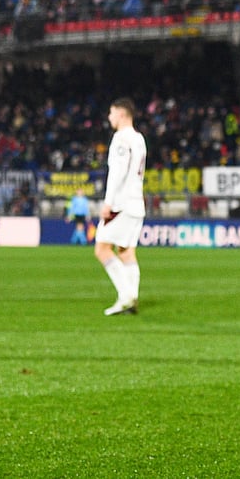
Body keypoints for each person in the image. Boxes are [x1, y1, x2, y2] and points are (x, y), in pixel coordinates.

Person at [94, 97, 146, 316]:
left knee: (102, 248)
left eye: (111, 113)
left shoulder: (121, 138)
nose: (109, 117)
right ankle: (131, 298)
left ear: (122, 114)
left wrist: (108, 202)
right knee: (126, 251)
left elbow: (118, 171)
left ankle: (126, 296)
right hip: (137, 203)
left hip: (121, 204)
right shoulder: (139, 138)